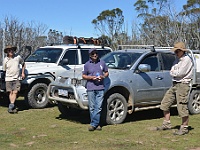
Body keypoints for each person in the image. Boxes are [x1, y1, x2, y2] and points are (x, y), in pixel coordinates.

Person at [157, 42, 193, 135]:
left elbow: (179, 73)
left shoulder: (187, 60)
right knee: (165, 103)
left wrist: (173, 72)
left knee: (182, 107)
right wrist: (173, 72)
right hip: (175, 84)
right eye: (175, 51)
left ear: (182, 51)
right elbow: (172, 70)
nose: (176, 53)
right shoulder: (177, 59)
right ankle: (166, 123)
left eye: (177, 51)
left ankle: (184, 128)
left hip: (183, 84)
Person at [82, 48, 109, 131]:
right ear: (90, 55)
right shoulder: (87, 65)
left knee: (99, 107)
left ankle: (93, 124)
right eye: (93, 54)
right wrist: (91, 77)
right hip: (91, 88)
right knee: (92, 107)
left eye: (96, 53)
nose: (95, 55)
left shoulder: (102, 63)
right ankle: (96, 124)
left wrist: (103, 76)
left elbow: (107, 72)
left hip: (100, 88)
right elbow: (83, 76)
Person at [2, 45, 26, 114]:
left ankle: (11, 105)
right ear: (7, 52)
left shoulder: (18, 57)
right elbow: (4, 70)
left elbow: (23, 64)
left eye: (12, 50)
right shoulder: (5, 60)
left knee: (15, 91)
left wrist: (23, 73)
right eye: (9, 50)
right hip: (8, 78)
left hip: (16, 78)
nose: (11, 51)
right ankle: (12, 106)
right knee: (10, 92)